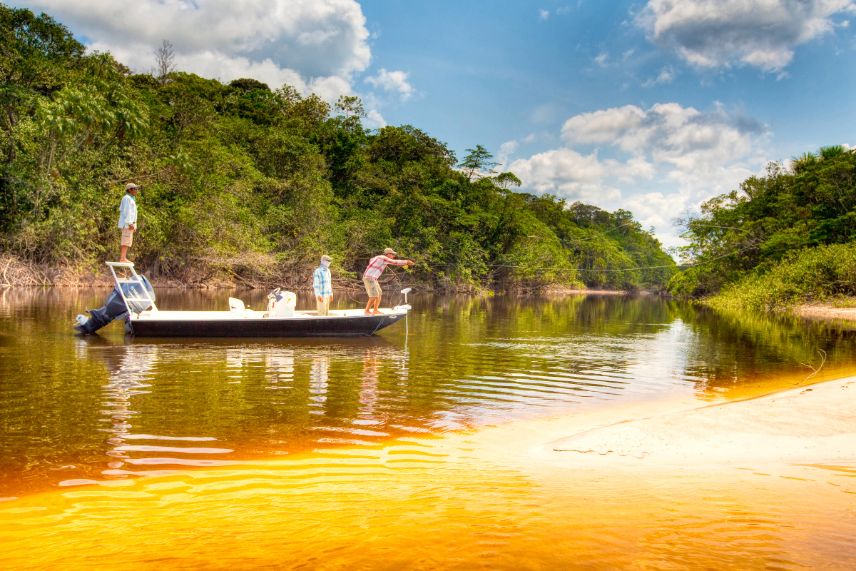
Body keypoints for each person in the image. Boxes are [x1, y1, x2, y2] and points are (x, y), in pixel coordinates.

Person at [363, 247, 413, 315]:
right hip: (369, 278)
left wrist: (381, 263)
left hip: (373, 278)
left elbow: (371, 260)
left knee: (379, 294)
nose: (393, 256)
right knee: (374, 296)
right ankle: (367, 311)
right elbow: (395, 262)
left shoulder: (379, 258)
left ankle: (375, 310)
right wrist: (406, 262)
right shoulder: (383, 258)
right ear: (388, 254)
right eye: (392, 254)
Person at [118, 182, 139, 263]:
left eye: (136, 189)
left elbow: (133, 213)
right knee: (125, 240)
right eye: (135, 189)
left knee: (128, 241)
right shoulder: (127, 198)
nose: (136, 190)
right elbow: (127, 211)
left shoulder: (131, 198)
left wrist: (134, 224)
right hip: (127, 224)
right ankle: (122, 258)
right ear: (130, 190)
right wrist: (130, 223)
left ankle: (123, 257)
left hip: (129, 224)